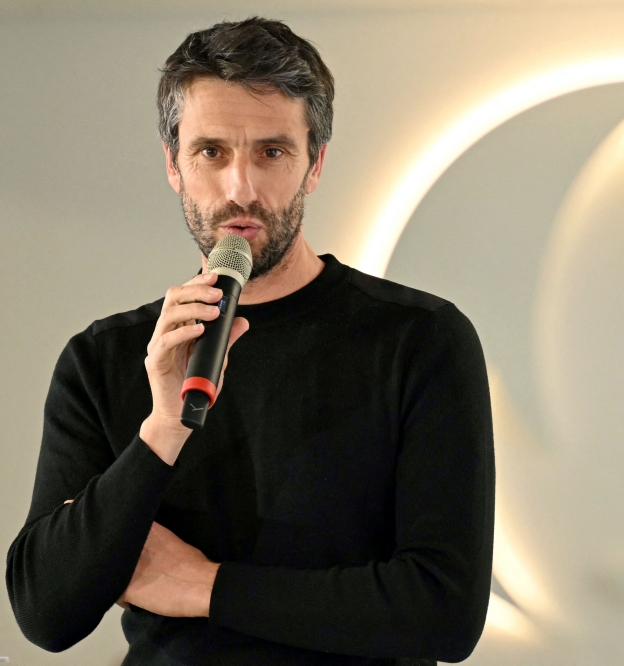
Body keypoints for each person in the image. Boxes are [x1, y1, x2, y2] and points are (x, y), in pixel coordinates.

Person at [5, 17, 494, 666]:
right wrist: (162, 430)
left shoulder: (420, 340)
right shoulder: (105, 358)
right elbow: (46, 613)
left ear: (314, 164)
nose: (240, 188)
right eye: (211, 152)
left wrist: (205, 587)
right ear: (173, 164)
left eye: (272, 152)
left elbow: (444, 613)